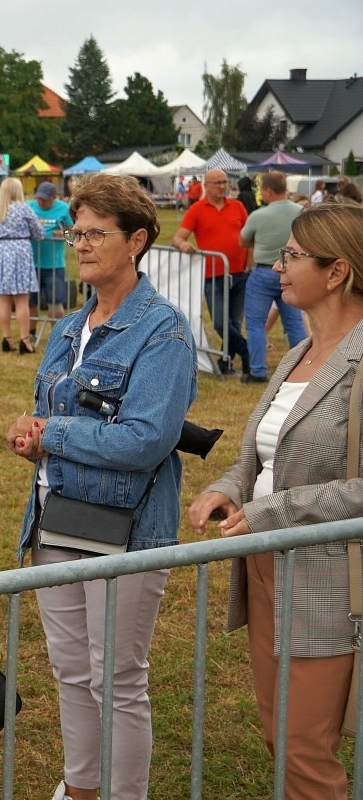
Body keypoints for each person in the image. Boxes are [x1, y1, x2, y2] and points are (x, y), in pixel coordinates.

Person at [7, 174, 197, 800]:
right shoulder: (67, 328)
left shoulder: (162, 332)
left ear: (137, 240)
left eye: (95, 234)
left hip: (127, 530)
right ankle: (83, 787)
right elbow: (58, 418)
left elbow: (145, 440)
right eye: (74, 232)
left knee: (116, 679)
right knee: (70, 672)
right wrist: (34, 435)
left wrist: (54, 434)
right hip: (56, 519)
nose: (79, 245)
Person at [187, 202, 363, 800]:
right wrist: (227, 488)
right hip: (265, 565)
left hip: (329, 580)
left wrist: (267, 514)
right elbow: (258, 456)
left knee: (304, 749)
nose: (275, 265)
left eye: (290, 256)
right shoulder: (294, 353)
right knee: (278, 735)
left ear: (336, 271)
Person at [173, 168, 251, 375]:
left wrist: (249, 263)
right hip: (212, 274)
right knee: (219, 322)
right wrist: (183, 246)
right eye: (218, 183)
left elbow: (249, 237)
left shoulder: (238, 206)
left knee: (234, 322)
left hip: (240, 273)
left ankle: (226, 362)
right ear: (206, 185)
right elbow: (178, 238)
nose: (223, 186)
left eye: (225, 182)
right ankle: (246, 351)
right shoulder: (197, 209)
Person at [240, 171, 306, 383]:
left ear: (268, 191)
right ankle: (303, 368)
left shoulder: (258, 215)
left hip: (263, 271)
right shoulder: (301, 212)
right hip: (292, 270)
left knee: (255, 324)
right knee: (294, 323)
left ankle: (257, 370)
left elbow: (243, 241)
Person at [0, 177, 44, 354]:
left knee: (4, 299)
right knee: (22, 300)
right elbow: (38, 233)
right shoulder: (24, 209)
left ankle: (6, 338)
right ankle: (24, 340)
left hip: (1, 252)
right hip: (20, 252)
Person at [29, 181, 75, 322]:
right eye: (39, 198)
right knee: (30, 302)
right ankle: (31, 334)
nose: (41, 202)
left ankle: (56, 337)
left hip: (54, 266)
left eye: (44, 199)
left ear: (54, 197)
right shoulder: (28, 206)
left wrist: (63, 234)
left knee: (55, 302)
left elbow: (73, 237)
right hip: (31, 264)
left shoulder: (64, 209)